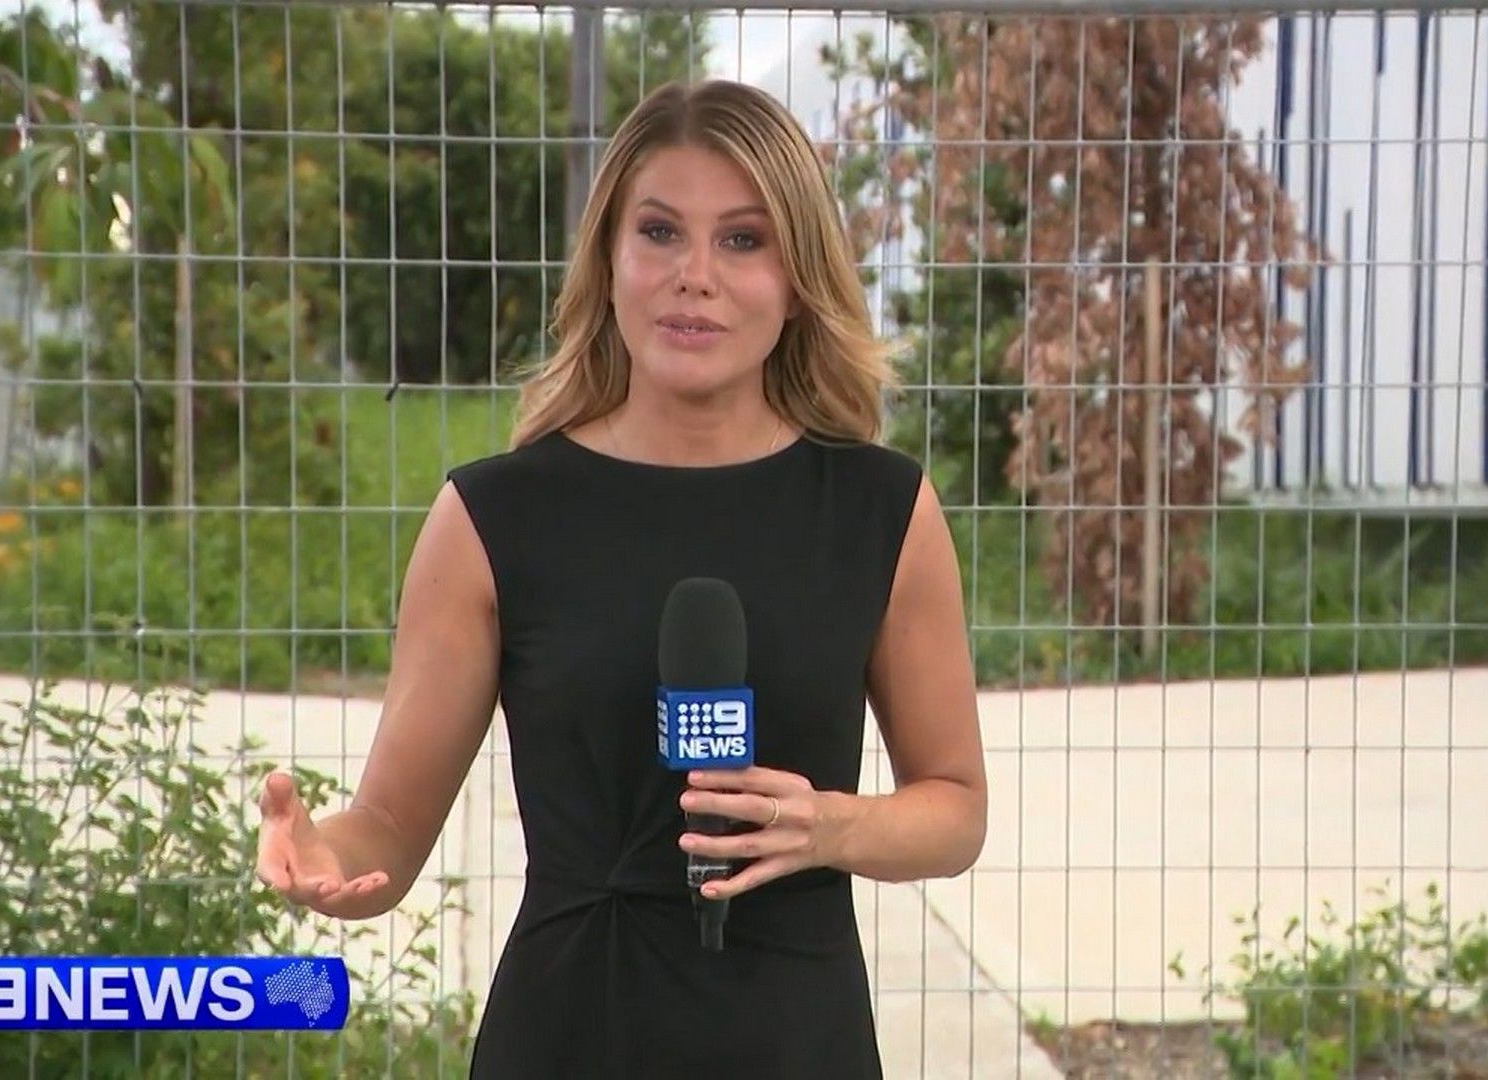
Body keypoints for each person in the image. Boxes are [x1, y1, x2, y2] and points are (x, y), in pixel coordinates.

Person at [254, 78, 987, 1078]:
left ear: (798, 276)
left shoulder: (882, 511)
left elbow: (954, 809)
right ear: (607, 261)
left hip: (798, 1038)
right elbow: (388, 828)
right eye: (659, 232)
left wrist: (829, 825)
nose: (695, 276)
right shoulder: (491, 519)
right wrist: (323, 856)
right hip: (567, 1033)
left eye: (743, 239)